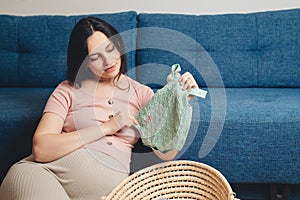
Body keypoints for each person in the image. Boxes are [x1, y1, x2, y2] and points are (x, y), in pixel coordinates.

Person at [0, 16, 200, 200]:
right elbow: (41, 149)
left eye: (110, 48)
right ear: (84, 63)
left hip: (104, 191)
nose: (108, 61)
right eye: (95, 57)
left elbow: (166, 153)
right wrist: (107, 127)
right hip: (40, 174)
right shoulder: (67, 90)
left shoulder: (140, 93)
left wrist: (182, 104)